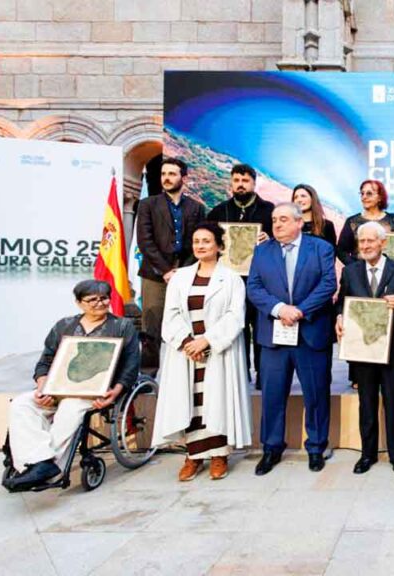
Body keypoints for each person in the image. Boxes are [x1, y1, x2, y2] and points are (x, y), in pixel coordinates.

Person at [4, 280, 140, 491]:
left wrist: (116, 392)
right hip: (56, 388)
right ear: (79, 303)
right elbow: (45, 362)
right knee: (21, 404)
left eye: (104, 298)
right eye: (92, 300)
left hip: (94, 392)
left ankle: (47, 469)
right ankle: (37, 464)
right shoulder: (64, 326)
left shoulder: (122, 326)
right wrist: (43, 387)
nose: (99, 303)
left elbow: (131, 366)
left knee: (70, 408)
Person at [152, 223, 253, 481]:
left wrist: (206, 341)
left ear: (219, 246)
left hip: (216, 350)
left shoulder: (231, 279)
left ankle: (219, 455)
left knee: (216, 400)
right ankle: (194, 456)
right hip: (187, 353)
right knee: (193, 403)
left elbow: (235, 317)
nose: (200, 246)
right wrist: (188, 342)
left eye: (206, 241)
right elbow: (171, 314)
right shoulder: (180, 278)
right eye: (196, 241)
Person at [248, 202, 338, 474]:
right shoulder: (262, 251)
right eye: (274, 220)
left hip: (310, 333)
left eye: (284, 219)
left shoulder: (321, 248)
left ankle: (316, 447)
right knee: (273, 395)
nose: (277, 224)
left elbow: (328, 284)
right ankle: (272, 448)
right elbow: (254, 287)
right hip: (275, 336)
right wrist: (280, 309)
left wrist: (299, 311)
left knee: (316, 394)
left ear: (299, 222)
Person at [336, 222, 394, 474]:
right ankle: (367, 455)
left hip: (392, 350)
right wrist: (339, 318)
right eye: (362, 241)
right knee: (366, 403)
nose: (365, 245)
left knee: (393, 402)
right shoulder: (350, 272)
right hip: (362, 350)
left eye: (370, 241)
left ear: (383, 242)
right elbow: (342, 303)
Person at [205, 163, 274, 389]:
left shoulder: (268, 211)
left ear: (254, 183)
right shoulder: (219, 211)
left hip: (262, 280)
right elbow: (209, 241)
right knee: (236, 326)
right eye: (236, 181)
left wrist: (269, 239)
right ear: (231, 184)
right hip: (230, 281)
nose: (240, 185)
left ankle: (264, 375)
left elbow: (282, 243)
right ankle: (240, 374)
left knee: (262, 327)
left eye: (245, 181)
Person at [136, 158, 206, 375]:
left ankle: (187, 371)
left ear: (183, 178)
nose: (166, 178)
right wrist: (166, 271)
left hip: (186, 271)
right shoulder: (148, 204)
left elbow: (198, 242)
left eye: (172, 174)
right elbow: (144, 241)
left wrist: (182, 272)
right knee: (152, 322)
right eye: (164, 174)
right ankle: (148, 373)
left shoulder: (196, 208)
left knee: (187, 319)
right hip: (155, 273)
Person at [336, 179, 394, 265]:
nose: (364, 197)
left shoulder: (393, 219)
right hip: (359, 274)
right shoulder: (352, 221)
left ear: (380, 197)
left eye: (369, 193)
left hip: (387, 274)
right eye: (362, 193)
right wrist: (354, 268)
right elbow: (341, 251)